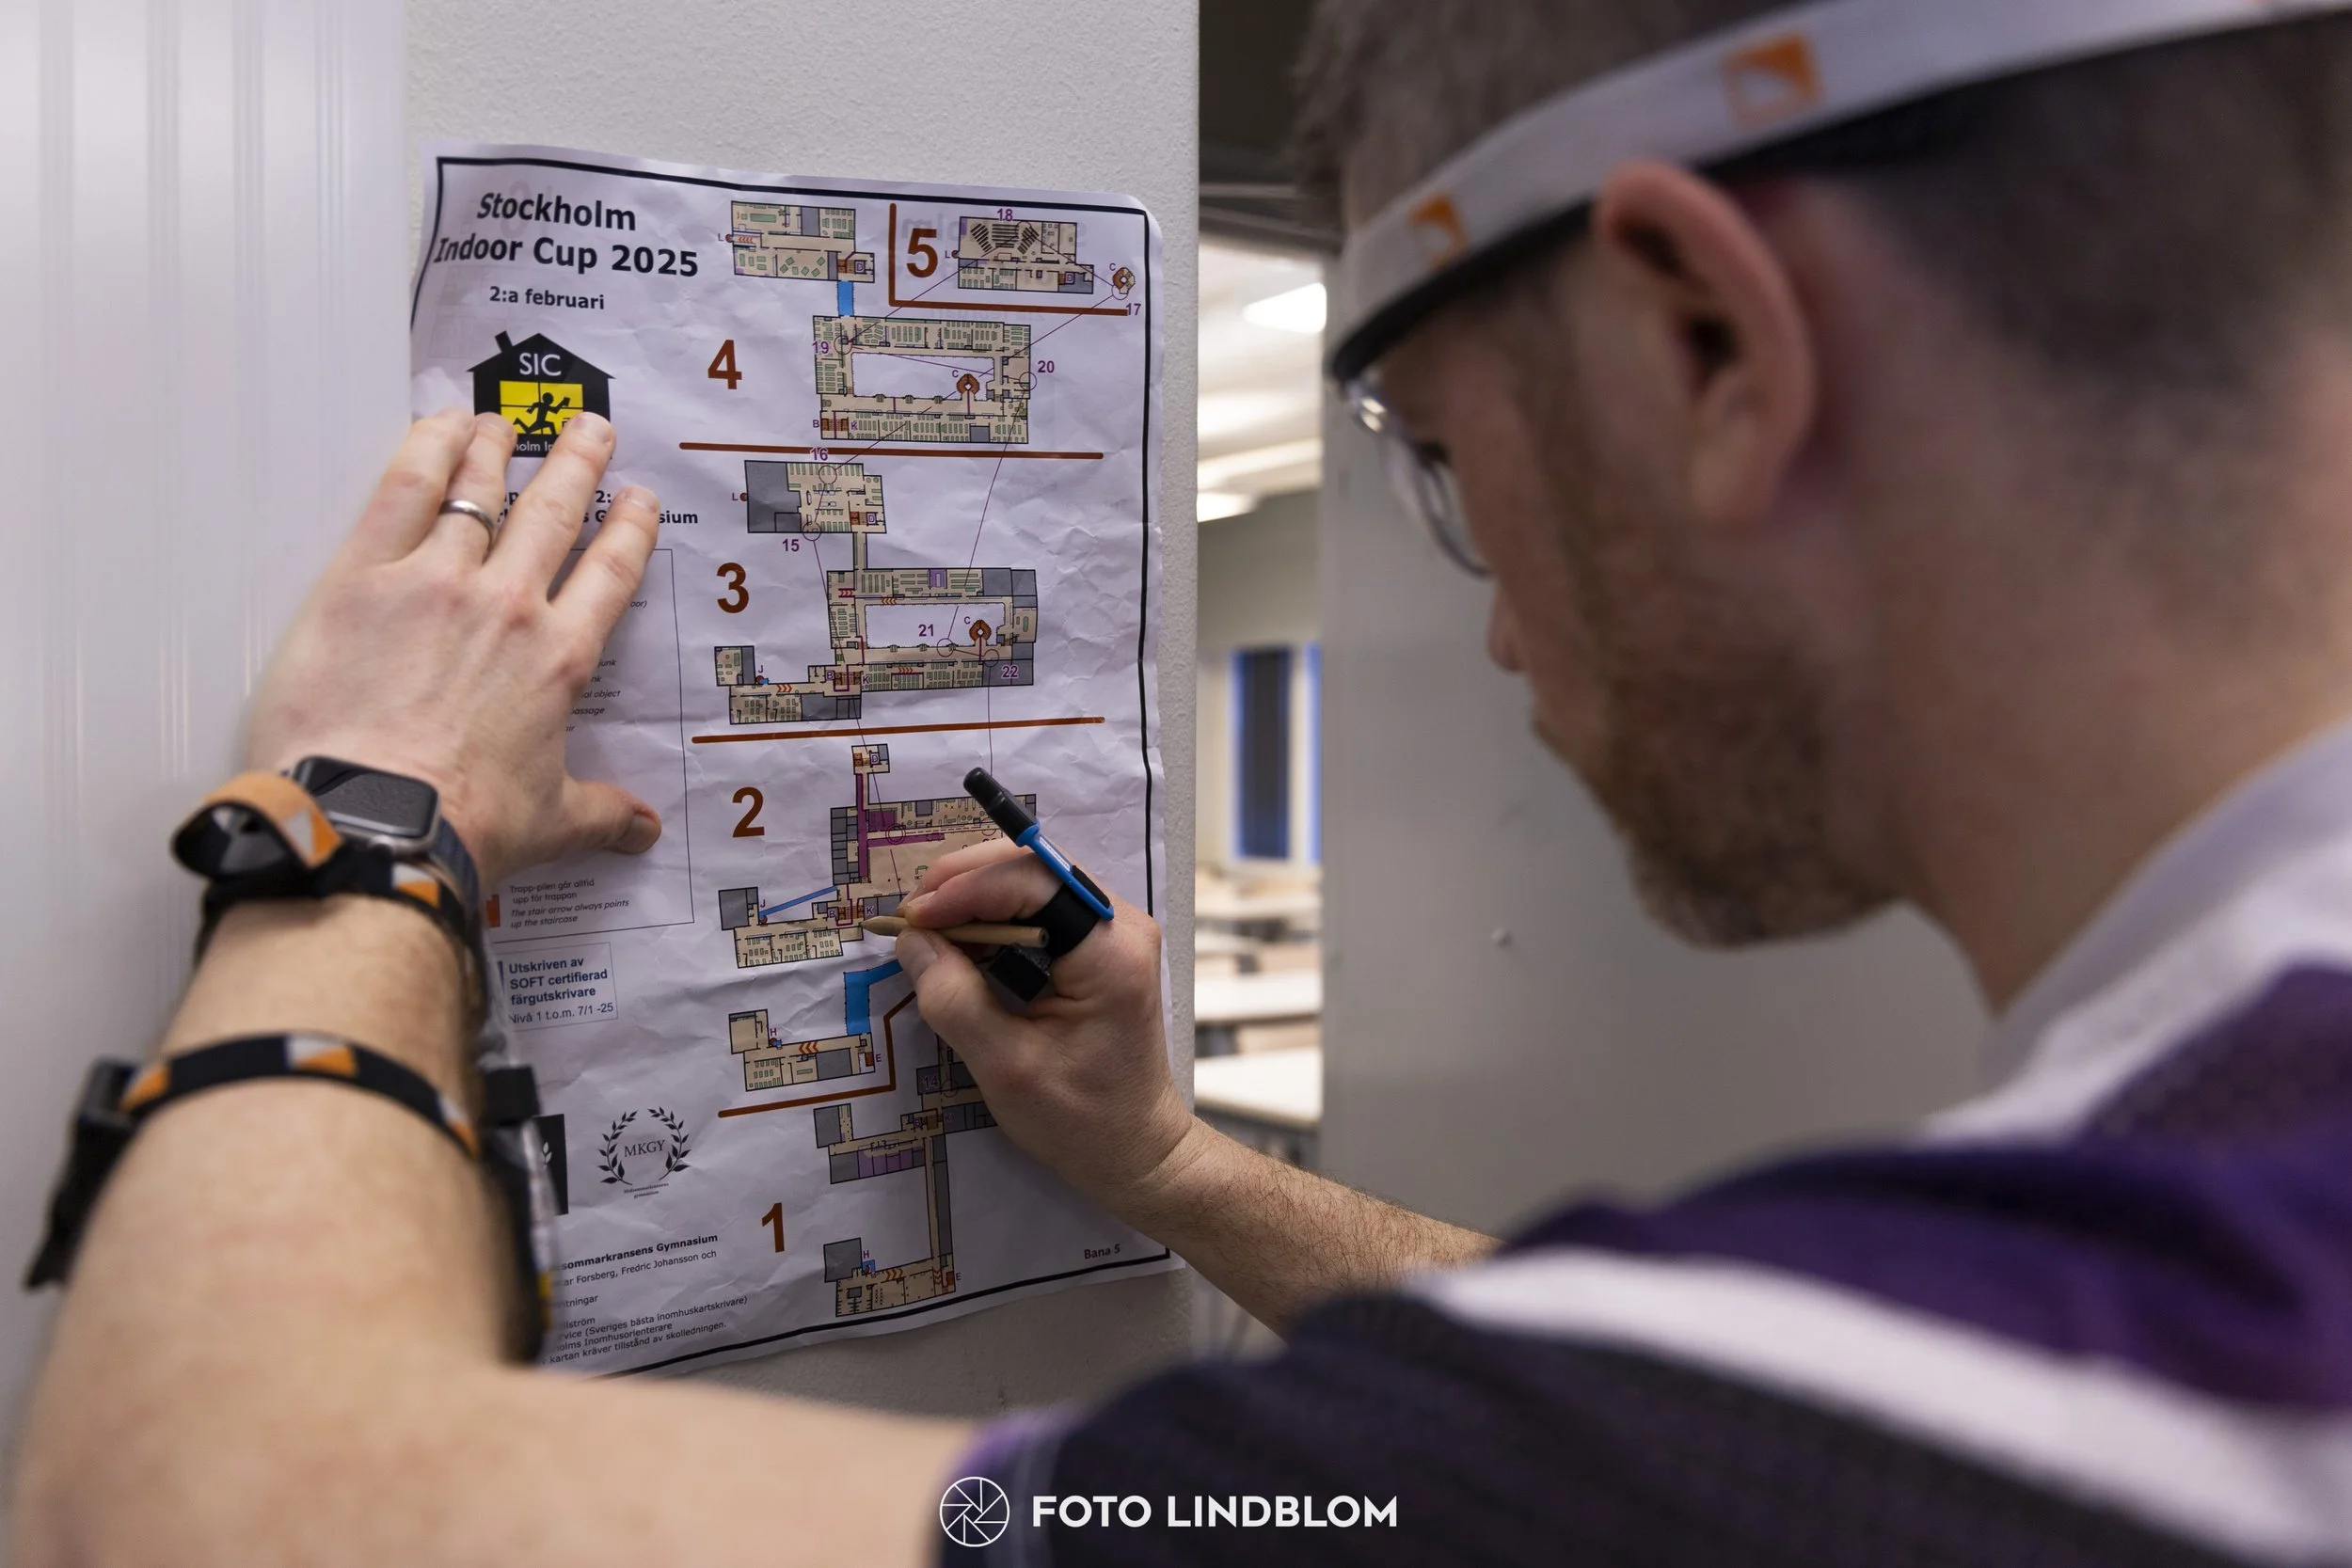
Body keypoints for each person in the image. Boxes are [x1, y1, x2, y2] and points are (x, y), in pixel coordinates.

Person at [19, 0, 2352, 1562]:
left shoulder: (2065, 1379)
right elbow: (1662, 1372)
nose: (1503, 624)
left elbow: (191, 1500)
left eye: (1443, 463)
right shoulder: (2114, 1279)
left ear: (1702, 336)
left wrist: (364, 811)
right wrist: (1161, 1163)